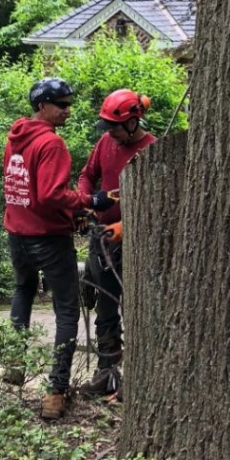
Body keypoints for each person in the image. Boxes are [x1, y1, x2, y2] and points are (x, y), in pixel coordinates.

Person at [4, 77, 88, 420]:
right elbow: (52, 195)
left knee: (23, 290)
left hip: (17, 232)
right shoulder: (51, 144)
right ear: (42, 106)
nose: (68, 110)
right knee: (67, 310)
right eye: (61, 105)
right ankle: (55, 392)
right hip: (48, 237)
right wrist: (84, 202)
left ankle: (13, 363)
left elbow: (18, 185)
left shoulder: (16, 136)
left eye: (69, 104)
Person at [76, 89, 155, 393]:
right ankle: (105, 374)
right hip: (102, 237)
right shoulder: (106, 142)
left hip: (137, 243)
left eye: (115, 126)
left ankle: (140, 379)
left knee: (136, 309)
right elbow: (87, 175)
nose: (110, 132)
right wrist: (85, 202)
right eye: (107, 127)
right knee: (106, 308)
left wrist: (127, 225)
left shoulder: (151, 151)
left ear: (134, 122)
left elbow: (158, 203)